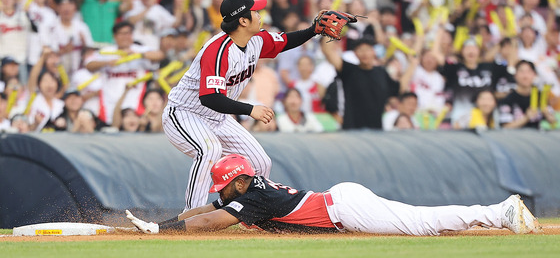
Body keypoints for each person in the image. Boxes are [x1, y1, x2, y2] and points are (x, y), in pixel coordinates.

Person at [163, 0, 330, 211]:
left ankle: (247, 213)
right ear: (243, 20)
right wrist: (250, 109)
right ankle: (191, 217)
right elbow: (209, 97)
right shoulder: (218, 50)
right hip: (184, 113)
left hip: (217, 116)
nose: (259, 14)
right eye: (255, 11)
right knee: (208, 150)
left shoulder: (254, 41)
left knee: (260, 163)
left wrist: (313, 30)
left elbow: (285, 41)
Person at [126, 154, 541, 235]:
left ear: (237, 181)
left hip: (345, 209)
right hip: (340, 199)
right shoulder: (247, 187)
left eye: (225, 183)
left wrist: (163, 234)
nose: (221, 191)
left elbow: (209, 220)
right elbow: (209, 207)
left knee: (420, 223)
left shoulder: (250, 198)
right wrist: (164, 222)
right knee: (417, 219)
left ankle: (496, 211)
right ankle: (487, 214)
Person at [85, 21, 164, 124]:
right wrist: (107, 63)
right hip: (109, 104)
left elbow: (160, 55)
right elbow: (88, 64)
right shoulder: (107, 51)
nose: (126, 37)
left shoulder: (139, 49)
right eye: (122, 34)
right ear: (115, 36)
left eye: (128, 33)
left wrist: (138, 55)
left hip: (134, 105)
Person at [320, 37, 400, 130]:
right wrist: (330, 26)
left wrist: (412, 64)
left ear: (374, 52)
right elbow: (328, 51)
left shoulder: (381, 72)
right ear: (355, 54)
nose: (364, 53)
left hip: (376, 130)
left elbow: (399, 89)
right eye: (360, 50)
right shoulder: (349, 70)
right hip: (352, 129)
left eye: (367, 49)